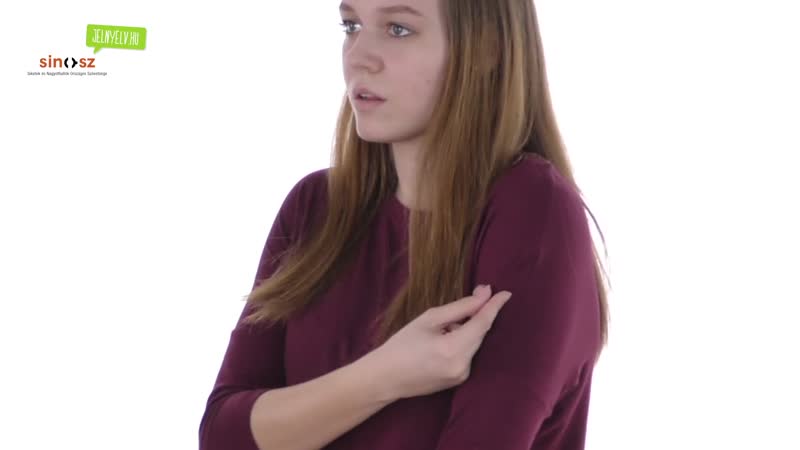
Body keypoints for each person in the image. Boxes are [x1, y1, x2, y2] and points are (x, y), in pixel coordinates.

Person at [199, 0, 609, 448]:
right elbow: (222, 435)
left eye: (398, 29)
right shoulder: (314, 207)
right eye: (351, 25)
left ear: (486, 48)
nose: (358, 56)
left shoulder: (532, 209)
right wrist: (387, 374)